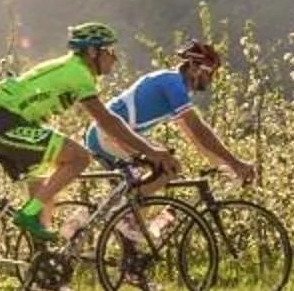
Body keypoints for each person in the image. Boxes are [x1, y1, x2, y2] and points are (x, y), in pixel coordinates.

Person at [0, 21, 175, 242]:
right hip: (10, 127)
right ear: (92, 52)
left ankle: (42, 266)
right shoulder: (78, 73)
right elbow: (107, 122)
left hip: (12, 126)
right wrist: (151, 151)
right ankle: (27, 214)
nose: (115, 57)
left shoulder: (75, 68)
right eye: (109, 51)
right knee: (80, 157)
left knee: (44, 206)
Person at [83, 40, 262, 192]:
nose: (211, 79)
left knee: (149, 178)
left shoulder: (174, 84)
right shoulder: (173, 84)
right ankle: (126, 219)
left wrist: (223, 166)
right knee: (167, 168)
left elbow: (194, 138)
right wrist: (235, 163)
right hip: (107, 134)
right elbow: (199, 129)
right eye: (209, 72)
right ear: (193, 67)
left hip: (107, 134)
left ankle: (85, 221)